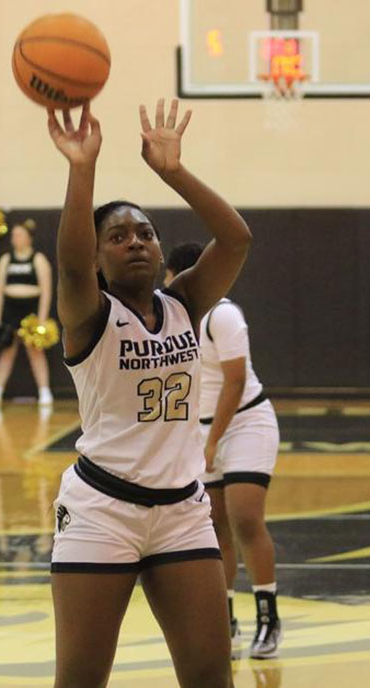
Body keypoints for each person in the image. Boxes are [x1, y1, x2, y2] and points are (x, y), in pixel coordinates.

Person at [46, 98, 251, 688]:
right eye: (116, 236)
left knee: (212, 676)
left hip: (182, 509)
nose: (135, 242)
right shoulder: (89, 313)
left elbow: (236, 241)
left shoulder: (185, 302)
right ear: (98, 257)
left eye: (145, 233)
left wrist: (173, 172)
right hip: (102, 511)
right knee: (82, 679)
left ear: (160, 251)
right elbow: (70, 266)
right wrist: (82, 166)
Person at [165, 241, 282, 660]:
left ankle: (268, 618)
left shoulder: (223, 314)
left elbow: (234, 382)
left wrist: (213, 441)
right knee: (213, 529)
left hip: (246, 422)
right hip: (201, 430)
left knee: (245, 517)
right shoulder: (173, 320)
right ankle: (224, 620)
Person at [0, 219, 53, 406]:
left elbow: (46, 290)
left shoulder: (38, 259)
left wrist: (41, 319)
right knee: (7, 350)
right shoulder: (6, 259)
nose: (15, 238)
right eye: (13, 235)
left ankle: (44, 391)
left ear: (29, 238)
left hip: (30, 311)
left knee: (35, 351)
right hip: (10, 309)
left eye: (19, 234)